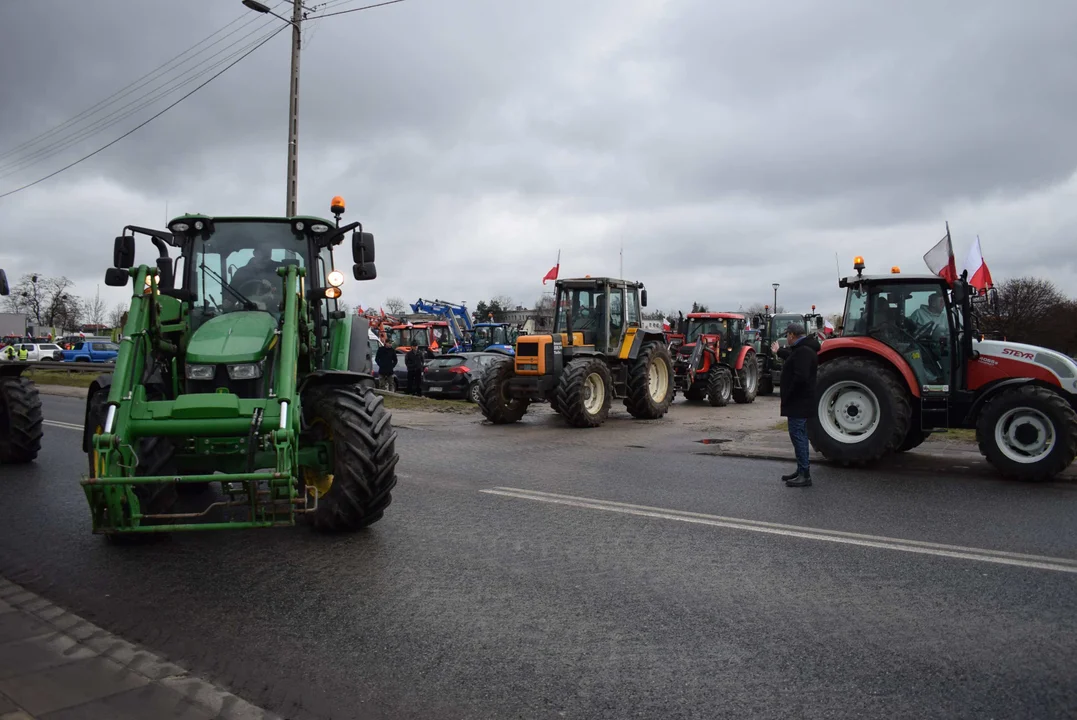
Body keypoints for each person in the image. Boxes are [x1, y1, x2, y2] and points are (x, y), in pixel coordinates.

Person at [771, 322, 820, 487]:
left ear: (792, 335)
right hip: (800, 401)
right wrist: (779, 351)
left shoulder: (804, 351)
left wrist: (788, 394)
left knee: (798, 436)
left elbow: (801, 377)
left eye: (787, 335)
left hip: (799, 401)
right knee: (800, 435)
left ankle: (804, 474)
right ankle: (801, 469)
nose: (787, 338)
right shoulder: (803, 349)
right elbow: (792, 357)